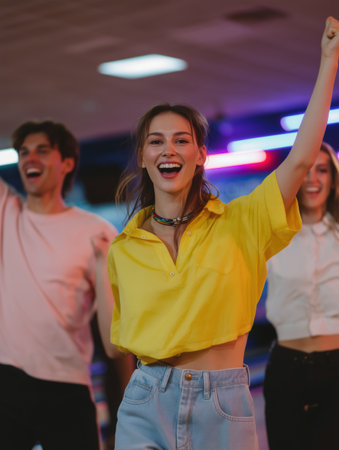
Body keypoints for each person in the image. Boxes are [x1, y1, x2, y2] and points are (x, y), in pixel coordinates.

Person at [107, 17, 339, 450]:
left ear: (200, 155)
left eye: (181, 140)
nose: (168, 150)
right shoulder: (123, 248)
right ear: (142, 157)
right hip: (146, 400)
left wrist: (329, 60)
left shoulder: (242, 222)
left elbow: (302, 157)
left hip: (222, 402)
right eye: (156, 142)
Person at [0, 120, 128, 450]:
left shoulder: (96, 232)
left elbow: (117, 329)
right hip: (6, 383)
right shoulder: (6, 214)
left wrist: (126, 409)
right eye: (24, 152)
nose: (30, 159)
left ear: (67, 163)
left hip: (67, 386)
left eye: (42, 150)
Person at [264, 142, 339, 450]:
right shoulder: (271, 234)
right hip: (286, 367)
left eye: (322, 170)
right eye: (305, 171)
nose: (313, 180)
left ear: (333, 178)